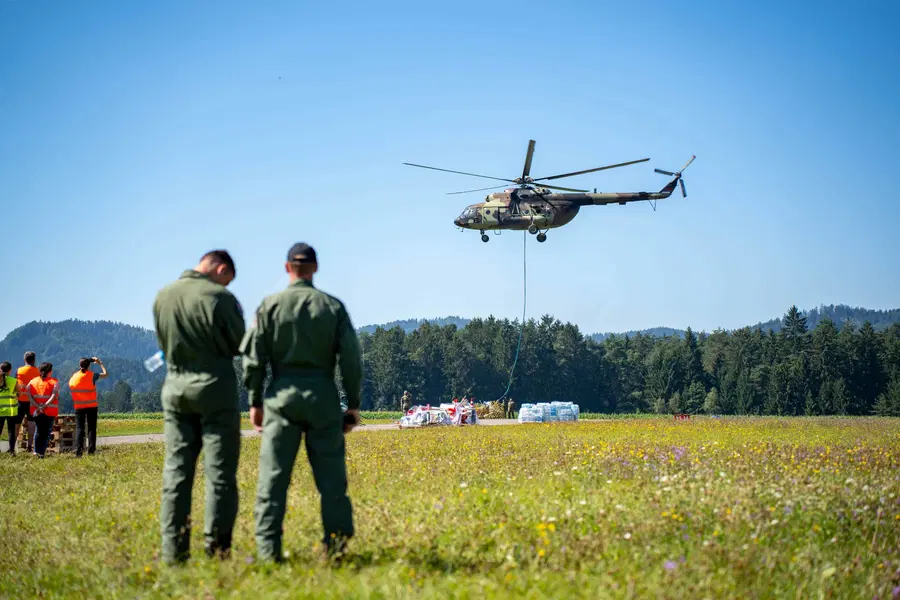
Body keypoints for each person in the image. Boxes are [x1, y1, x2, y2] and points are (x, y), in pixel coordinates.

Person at [241, 242, 363, 562]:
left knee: (273, 478)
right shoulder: (333, 307)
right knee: (331, 479)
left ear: (286, 268)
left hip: (281, 398)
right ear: (315, 268)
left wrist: (255, 400)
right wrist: (352, 403)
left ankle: (268, 552)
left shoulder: (269, 306)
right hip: (323, 397)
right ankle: (336, 548)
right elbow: (351, 358)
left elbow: (253, 358)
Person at [152, 250, 246, 564]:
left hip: (176, 389)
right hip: (214, 390)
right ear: (221, 269)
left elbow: (164, 345)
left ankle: (173, 552)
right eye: (227, 278)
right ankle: (217, 549)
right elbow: (238, 345)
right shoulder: (220, 298)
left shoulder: (163, 296)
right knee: (219, 473)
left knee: (176, 472)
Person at [69, 357, 108, 456]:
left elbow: (80, 372)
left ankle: (79, 452)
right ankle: (91, 451)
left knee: (80, 428)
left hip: (79, 406)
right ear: (89, 366)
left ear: (79, 365)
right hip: (91, 406)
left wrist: (89, 360)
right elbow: (105, 374)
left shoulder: (74, 376)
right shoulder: (92, 376)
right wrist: (100, 363)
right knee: (91, 429)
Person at [26, 362, 59, 458]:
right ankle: (42, 452)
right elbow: (53, 396)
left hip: (36, 411)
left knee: (39, 430)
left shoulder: (33, 381)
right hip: (49, 411)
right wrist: (44, 406)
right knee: (46, 432)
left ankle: (36, 451)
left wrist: (37, 406)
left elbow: (29, 395)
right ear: (50, 371)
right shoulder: (54, 382)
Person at [16, 351, 39, 452]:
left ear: (24, 359)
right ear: (34, 360)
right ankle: (30, 446)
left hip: (20, 400)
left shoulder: (19, 370)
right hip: (32, 401)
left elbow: (15, 384)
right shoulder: (38, 371)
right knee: (31, 424)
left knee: (16, 424)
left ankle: (13, 446)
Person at [0, 362, 18, 454]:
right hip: (11, 410)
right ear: (10, 370)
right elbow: (17, 392)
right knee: (11, 431)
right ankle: (12, 451)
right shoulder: (13, 380)